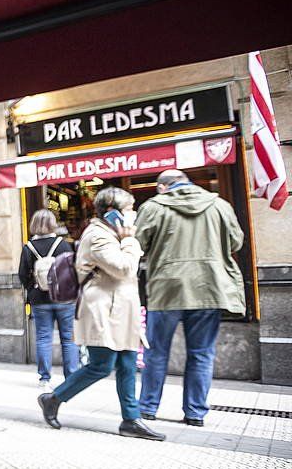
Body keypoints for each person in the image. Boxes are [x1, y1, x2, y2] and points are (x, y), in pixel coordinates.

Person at [37, 187, 165, 441]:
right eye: (128, 209)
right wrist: (130, 240)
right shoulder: (97, 235)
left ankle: (131, 419)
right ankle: (53, 398)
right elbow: (124, 267)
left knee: (128, 363)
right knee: (101, 365)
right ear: (112, 212)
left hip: (121, 310)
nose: (133, 213)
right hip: (103, 310)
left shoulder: (112, 233)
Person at [134, 169, 244, 427]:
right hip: (209, 286)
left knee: (156, 353)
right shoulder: (219, 205)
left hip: (166, 289)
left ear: (162, 187)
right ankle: (195, 413)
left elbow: (138, 245)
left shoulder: (153, 207)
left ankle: (148, 408)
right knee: (202, 354)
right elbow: (236, 242)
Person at [18, 209, 78, 388]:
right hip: (64, 298)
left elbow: (22, 275)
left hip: (39, 299)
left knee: (43, 338)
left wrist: (33, 288)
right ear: (53, 224)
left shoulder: (28, 247)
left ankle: (45, 377)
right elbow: (73, 270)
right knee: (68, 338)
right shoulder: (63, 244)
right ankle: (71, 377)